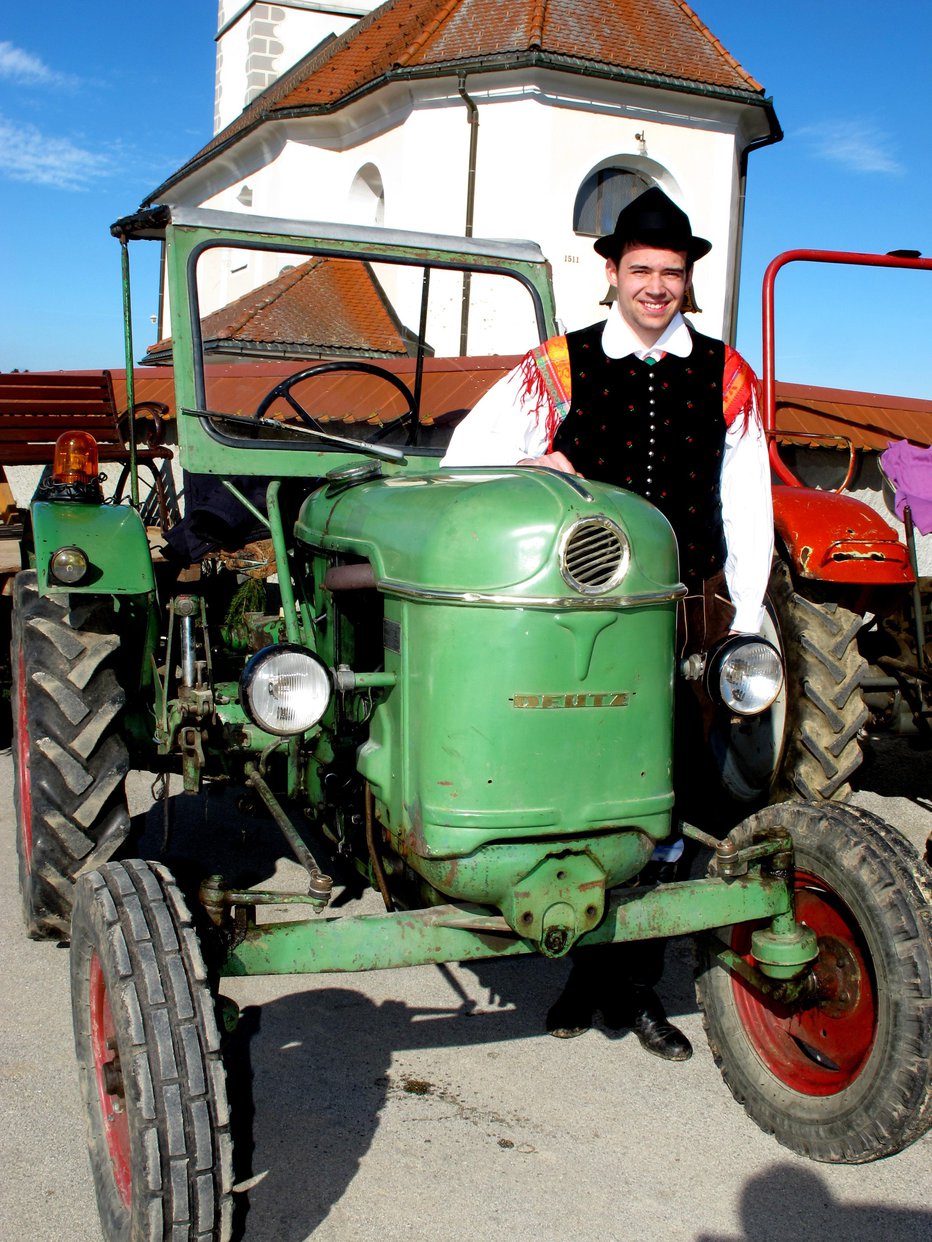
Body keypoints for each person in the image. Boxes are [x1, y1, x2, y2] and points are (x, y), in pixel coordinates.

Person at [441, 187, 774, 1061]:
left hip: (690, 602)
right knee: (586, 783)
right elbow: (465, 454)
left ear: (688, 279)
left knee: (675, 795)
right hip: (586, 602)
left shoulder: (727, 372)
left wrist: (744, 607)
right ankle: (587, 974)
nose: (657, 287)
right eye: (642, 271)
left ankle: (637, 987)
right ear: (614, 274)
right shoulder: (561, 362)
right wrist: (532, 461)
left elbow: (747, 499)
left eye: (671, 273)